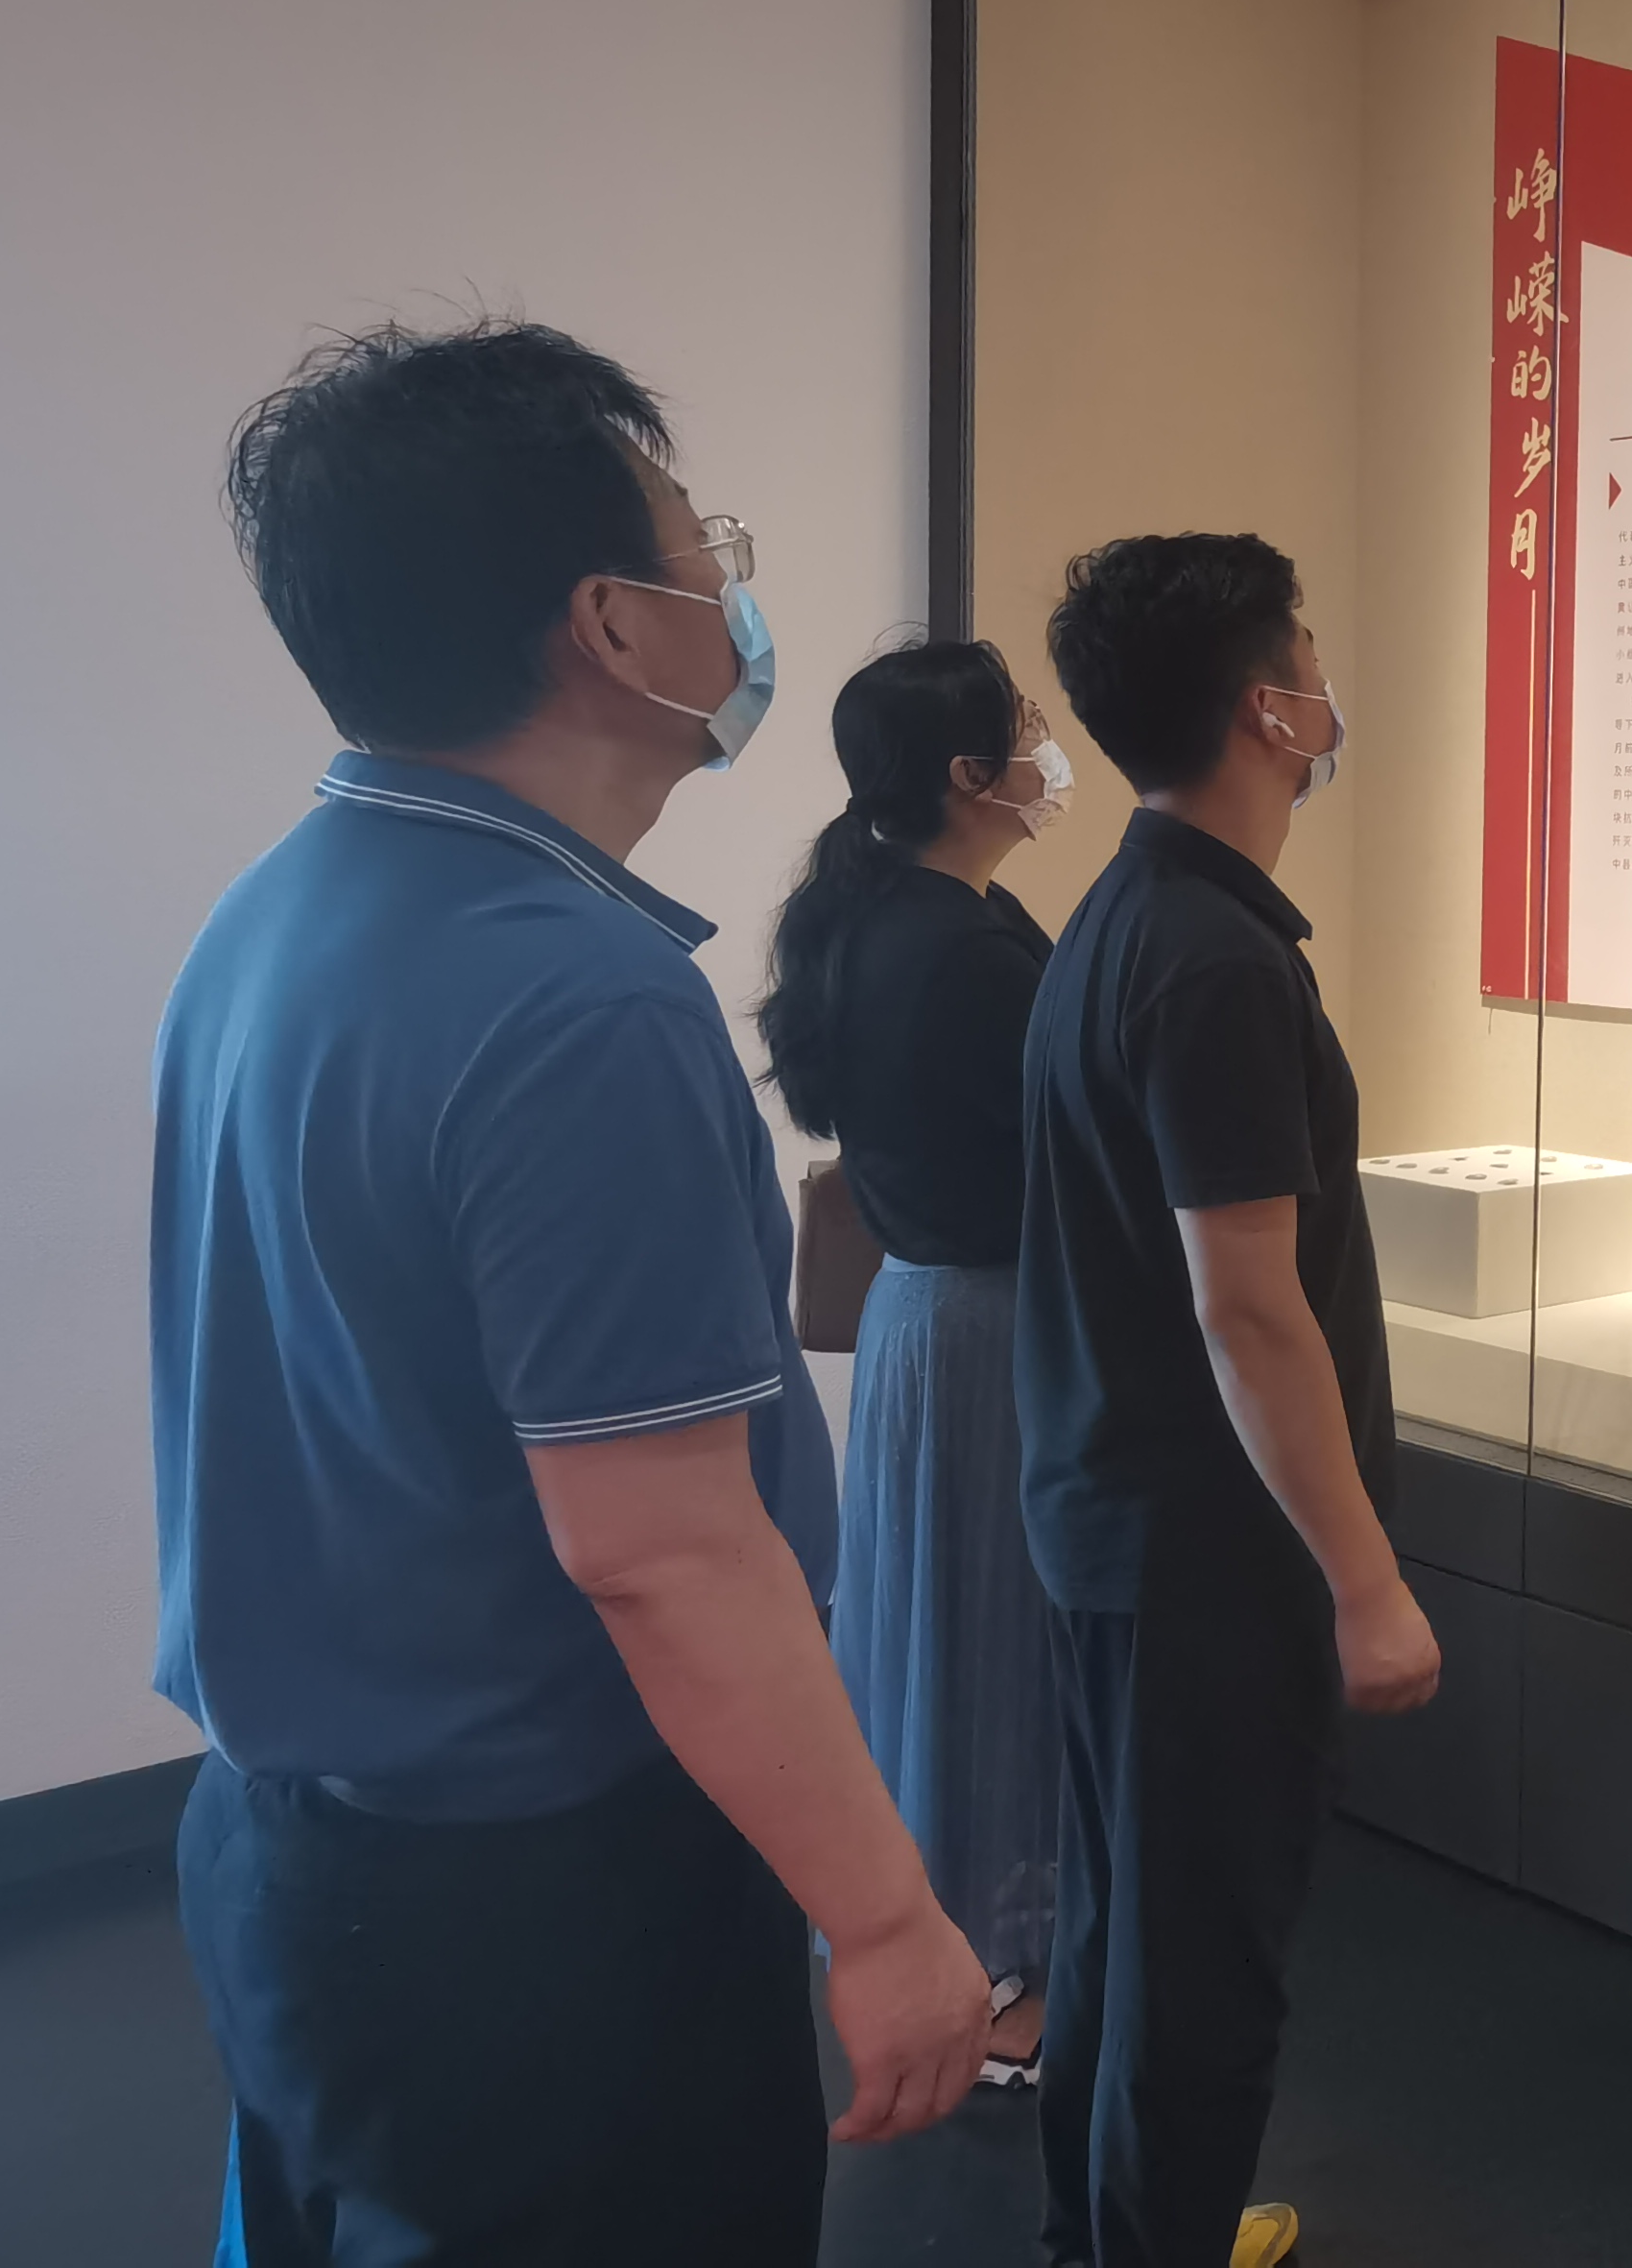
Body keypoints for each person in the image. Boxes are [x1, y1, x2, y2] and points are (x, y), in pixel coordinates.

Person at [156, 322, 989, 2262]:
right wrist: (883, 1918)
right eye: (706, 550)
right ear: (613, 626)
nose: (733, 598)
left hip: (294, 1856)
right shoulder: (577, 998)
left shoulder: (272, 911)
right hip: (541, 1907)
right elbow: (663, 1552)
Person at [1019, 533, 1443, 2268]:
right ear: (1270, 710)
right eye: (1311, 661)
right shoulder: (1210, 960)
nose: (1328, 692)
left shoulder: (1132, 917)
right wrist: (1365, 1578)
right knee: (1200, 1967)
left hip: (1125, 1525)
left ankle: (1111, 2236)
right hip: (1207, 1555)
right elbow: (1250, 1308)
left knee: (1127, 1928)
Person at [753, 638, 1074, 2087]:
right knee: (1003, 1649)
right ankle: (1007, 1975)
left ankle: (936, 1934)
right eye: (1024, 728)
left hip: (918, 1323)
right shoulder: (967, 948)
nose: (1046, 749)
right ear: (967, 773)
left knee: (931, 1641)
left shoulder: (882, 919)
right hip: (995, 1327)